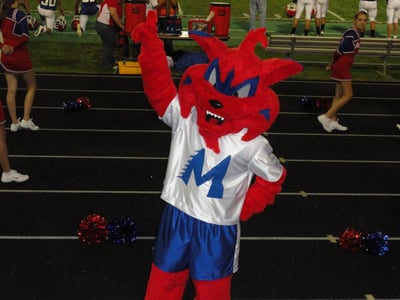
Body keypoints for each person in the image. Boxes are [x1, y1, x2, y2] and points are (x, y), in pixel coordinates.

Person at [317, 11, 368, 132]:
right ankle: (326, 116)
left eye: (365, 20)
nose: (362, 23)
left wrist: (332, 64)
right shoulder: (351, 33)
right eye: (360, 20)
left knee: (338, 95)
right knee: (348, 95)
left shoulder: (354, 33)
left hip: (341, 65)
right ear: (355, 20)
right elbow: (339, 50)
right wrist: (334, 63)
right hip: (342, 67)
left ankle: (332, 121)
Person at [0, 0, 39, 132]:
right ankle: (26, 120)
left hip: (6, 58)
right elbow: (25, 36)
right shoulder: (19, 14)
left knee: (11, 90)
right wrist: (12, 47)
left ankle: (14, 122)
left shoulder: (2, 13)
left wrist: (2, 46)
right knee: (32, 86)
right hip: (20, 56)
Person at [95, 0, 124, 70]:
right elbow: (113, 13)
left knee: (109, 45)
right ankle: (107, 64)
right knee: (108, 45)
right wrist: (121, 26)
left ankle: (110, 61)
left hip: (105, 25)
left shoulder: (117, 2)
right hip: (105, 26)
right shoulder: (112, 1)